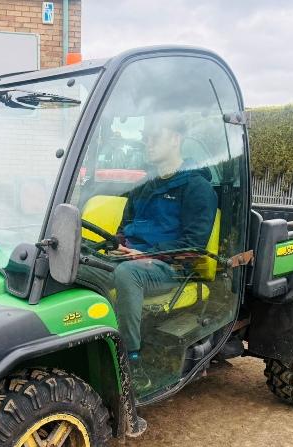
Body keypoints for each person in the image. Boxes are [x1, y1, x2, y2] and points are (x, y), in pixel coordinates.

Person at [77, 114, 217, 387]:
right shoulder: (144, 186)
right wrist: (118, 244)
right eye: (145, 136)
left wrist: (145, 254)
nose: (147, 142)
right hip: (128, 259)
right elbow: (125, 226)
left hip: (170, 266)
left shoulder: (197, 188)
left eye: (154, 136)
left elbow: (194, 245)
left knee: (129, 275)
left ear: (175, 139)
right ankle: (85, 341)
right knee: (76, 263)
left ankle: (130, 360)